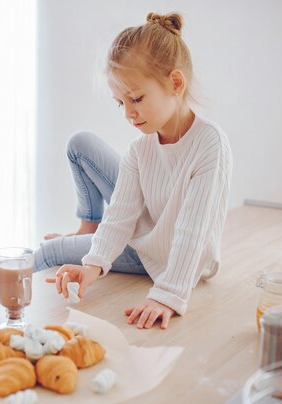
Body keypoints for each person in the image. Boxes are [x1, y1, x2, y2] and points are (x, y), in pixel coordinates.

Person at [34, 12, 233, 330]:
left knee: (50, 250)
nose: (128, 113)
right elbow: (119, 217)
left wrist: (167, 295)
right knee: (82, 149)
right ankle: (3, 306)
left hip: (173, 261)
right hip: (146, 236)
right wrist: (93, 266)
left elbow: (191, 233)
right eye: (120, 103)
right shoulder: (140, 150)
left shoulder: (209, 144)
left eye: (136, 99)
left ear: (176, 84)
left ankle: (1, 308)